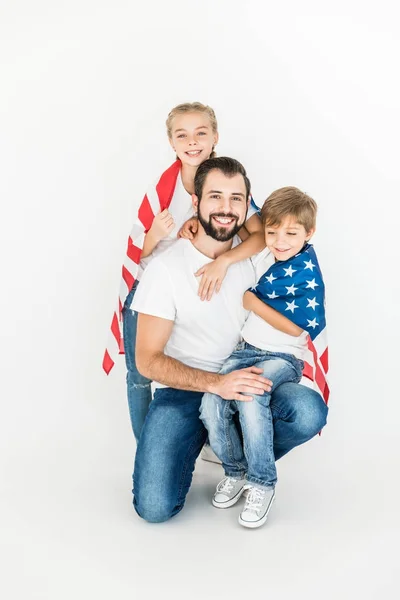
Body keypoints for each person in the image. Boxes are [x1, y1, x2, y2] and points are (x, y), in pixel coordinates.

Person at [131, 157, 328, 523]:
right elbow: (147, 360)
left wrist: (224, 262)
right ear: (196, 202)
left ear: (248, 205)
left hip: (250, 374)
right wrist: (217, 383)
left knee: (308, 411)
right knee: (154, 507)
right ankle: (214, 440)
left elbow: (290, 236)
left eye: (236, 198)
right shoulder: (167, 270)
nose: (225, 207)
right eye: (215, 197)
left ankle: (241, 463)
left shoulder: (261, 254)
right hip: (189, 387)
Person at [103, 103, 265, 442]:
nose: (192, 142)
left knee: (216, 359)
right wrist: (157, 235)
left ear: (215, 137)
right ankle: (147, 445)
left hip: (202, 281)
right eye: (182, 135)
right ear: (172, 143)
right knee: (140, 371)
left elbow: (260, 236)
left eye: (201, 133)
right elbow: (138, 253)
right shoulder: (164, 187)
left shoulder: (223, 178)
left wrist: (224, 261)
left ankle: (215, 436)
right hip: (151, 284)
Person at [200, 187, 328, 528]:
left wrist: (252, 302)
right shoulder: (264, 255)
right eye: (272, 232)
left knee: (251, 393)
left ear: (308, 233)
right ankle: (235, 471)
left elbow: (294, 330)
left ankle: (262, 482)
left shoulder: (305, 272)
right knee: (212, 402)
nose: (280, 240)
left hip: (282, 357)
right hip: (244, 350)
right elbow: (246, 212)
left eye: (290, 233)